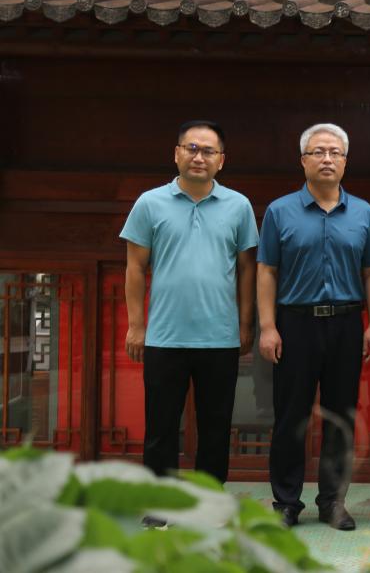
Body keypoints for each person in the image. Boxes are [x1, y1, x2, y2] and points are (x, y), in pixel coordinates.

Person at [257, 123, 370, 530]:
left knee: (340, 417)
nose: (327, 159)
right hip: (295, 323)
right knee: (290, 415)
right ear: (303, 161)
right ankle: (286, 503)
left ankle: (333, 502)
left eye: (335, 152)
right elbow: (266, 270)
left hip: (347, 323)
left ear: (345, 161)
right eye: (318, 152)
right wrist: (267, 326)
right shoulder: (280, 211)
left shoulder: (363, 213)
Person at [122, 120, 258, 496]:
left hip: (220, 337)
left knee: (216, 426)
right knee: (161, 425)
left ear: (221, 160)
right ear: (177, 154)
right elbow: (134, 267)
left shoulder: (239, 206)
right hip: (165, 336)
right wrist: (136, 325)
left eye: (208, 151)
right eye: (192, 148)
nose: (199, 157)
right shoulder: (149, 203)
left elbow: (248, 269)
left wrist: (246, 323)